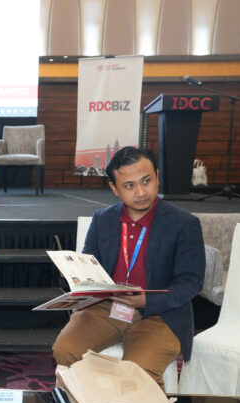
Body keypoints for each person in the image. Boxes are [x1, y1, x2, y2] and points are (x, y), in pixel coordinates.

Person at [52, 147, 205, 390]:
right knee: (65, 350)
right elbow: (91, 266)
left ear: (157, 176)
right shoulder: (103, 219)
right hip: (106, 307)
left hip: (161, 313)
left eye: (146, 181)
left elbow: (191, 281)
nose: (141, 192)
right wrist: (72, 276)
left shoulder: (184, 224)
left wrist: (147, 300)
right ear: (114, 188)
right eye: (129, 185)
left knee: (136, 372)